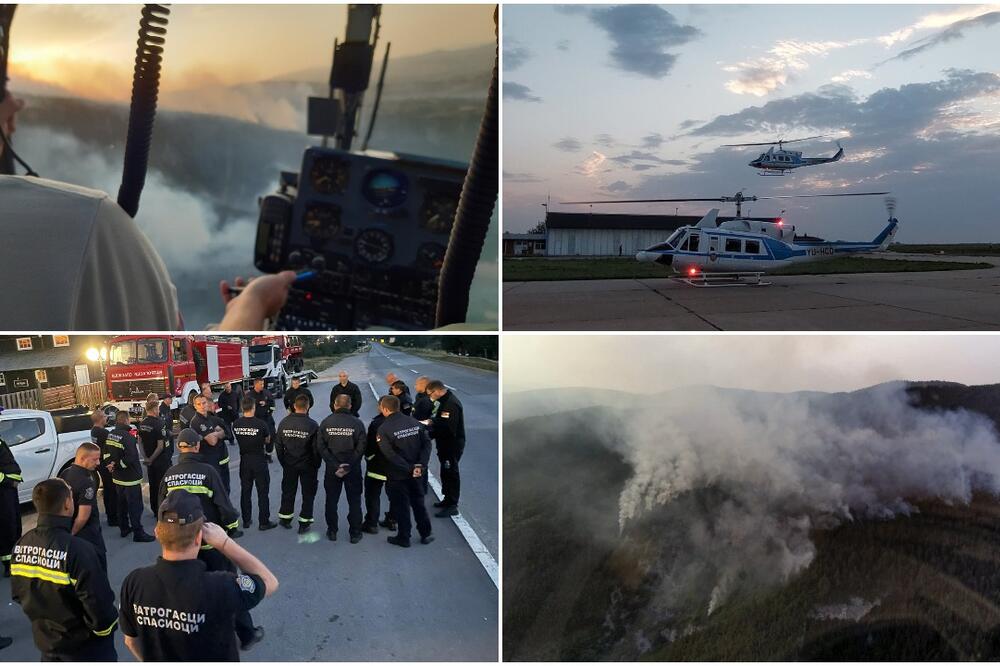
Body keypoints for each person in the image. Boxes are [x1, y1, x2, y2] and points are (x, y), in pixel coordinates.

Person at [119, 490, 278, 660]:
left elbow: (130, 641)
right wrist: (224, 543)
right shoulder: (221, 586)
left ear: (157, 533)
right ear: (199, 538)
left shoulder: (134, 583)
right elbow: (269, 582)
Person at [156, 429, 261, 648]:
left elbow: (161, 508)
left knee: (188, 591)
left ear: (179, 448)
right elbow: (224, 506)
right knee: (231, 586)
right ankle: (247, 635)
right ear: (197, 446)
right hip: (211, 543)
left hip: (181, 546)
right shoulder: (208, 471)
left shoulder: (169, 474)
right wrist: (230, 530)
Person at [10, 479, 119, 661]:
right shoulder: (79, 550)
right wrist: (103, 634)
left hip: (48, 645)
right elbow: (99, 607)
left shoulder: (21, 545)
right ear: (67, 504)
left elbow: (18, 594)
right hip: (85, 649)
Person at [376, 395, 433, 548]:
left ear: (385, 409)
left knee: (401, 506)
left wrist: (409, 468)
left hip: (398, 475)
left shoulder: (384, 429)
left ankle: (404, 537)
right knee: (418, 503)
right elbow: (427, 444)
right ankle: (426, 533)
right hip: (417, 473)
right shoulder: (414, 422)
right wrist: (420, 465)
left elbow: (390, 455)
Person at [317, 394, 366, 543]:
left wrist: (335, 465)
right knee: (354, 501)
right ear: (350, 406)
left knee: (331, 500)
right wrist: (349, 464)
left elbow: (321, 447)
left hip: (333, 469)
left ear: (335, 405)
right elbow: (361, 447)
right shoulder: (357, 423)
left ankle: (332, 530)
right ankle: (355, 532)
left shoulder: (326, 422)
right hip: (353, 468)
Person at [57, 443, 107, 572]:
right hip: (88, 534)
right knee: (97, 569)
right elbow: (83, 516)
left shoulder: (65, 473)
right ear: (83, 458)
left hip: (68, 529)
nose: (98, 463)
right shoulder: (86, 481)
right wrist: (72, 534)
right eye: (95, 459)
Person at [107, 411, 155, 542]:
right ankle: (138, 533)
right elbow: (131, 457)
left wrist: (111, 464)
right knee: (135, 507)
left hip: (117, 478)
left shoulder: (110, 434)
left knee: (121, 505)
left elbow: (106, 453)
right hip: (130, 478)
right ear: (126, 420)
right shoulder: (128, 437)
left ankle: (124, 528)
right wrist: (119, 465)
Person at [274, 395, 320, 533]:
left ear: (294, 406)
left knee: (288, 491)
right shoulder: (312, 425)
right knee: (308, 493)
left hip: (289, 464)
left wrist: (283, 461)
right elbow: (316, 449)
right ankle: (304, 523)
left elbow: (278, 445)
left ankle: (285, 518)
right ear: (308, 407)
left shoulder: (284, 422)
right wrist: (316, 465)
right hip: (307, 465)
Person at [232, 397, 277, 530]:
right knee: (262, 491)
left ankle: (246, 520)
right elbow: (267, 440)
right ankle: (264, 522)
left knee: (245, 491)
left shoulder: (236, 424)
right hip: (259, 460)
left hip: (244, 460)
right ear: (253, 408)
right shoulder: (261, 424)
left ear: (242, 408)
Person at [425, 380, 466, 517]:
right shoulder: (443, 401)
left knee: (451, 473)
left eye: (430, 394)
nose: (430, 397)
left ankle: (452, 504)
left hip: (451, 445)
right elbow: (441, 420)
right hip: (444, 444)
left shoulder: (450, 404)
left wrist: (431, 428)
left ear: (437, 391)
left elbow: (448, 428)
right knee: (445, 472)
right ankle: (447, 499)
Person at [190, 395, 233, 494]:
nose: (202, 406)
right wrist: (218, 432)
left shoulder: (213, 418)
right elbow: (212, 441)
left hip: (222, 459)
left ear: (207, 403)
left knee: (225, 488)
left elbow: (228, 433)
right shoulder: (196, 422)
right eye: (199, 404)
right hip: (209, 462)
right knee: (215, 491)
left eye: (204, 403)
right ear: (195, 406)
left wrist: (215, 433)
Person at [361, 407, 395, 534]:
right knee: (395, 496)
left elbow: (370, 444)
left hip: (377, 467)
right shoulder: (405, 422)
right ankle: (392, 520)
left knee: (372, 495)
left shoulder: (376, 423)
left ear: (383, 408)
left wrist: (369, 457)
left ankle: (372, 523)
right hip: (395, 468)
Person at [138, 400, 173, 517]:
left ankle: (154, 509)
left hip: (150, 462)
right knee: (162, 486)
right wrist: (152, 459)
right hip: (160, 461)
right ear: (154, 410)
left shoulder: (142, 423)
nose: (158, 410)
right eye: (157, 408)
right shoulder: (159, 423)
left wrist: (145, 458)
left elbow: (140, 442)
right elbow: (160, 446)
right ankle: (161, 510)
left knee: (153, 486)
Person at [90, 409, 118, 528]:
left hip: (100, 463)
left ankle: (110, 514)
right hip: (106, 464)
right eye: (105, 416)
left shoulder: (94, 431)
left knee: (107, 489)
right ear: (101, 419)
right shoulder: (103, 432)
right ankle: (113, 517)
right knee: (111, 490)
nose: (107, 418)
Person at [1, 435, 23, 577]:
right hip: (3, 491)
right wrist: (8, 480)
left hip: (7, 490)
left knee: (13, 523)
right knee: (7, 527)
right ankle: (9, 564)